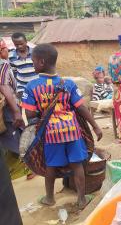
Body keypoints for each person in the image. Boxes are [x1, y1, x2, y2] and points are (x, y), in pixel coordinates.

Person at [21, 44, 102, 209]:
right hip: (72, 131)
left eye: (34, 61)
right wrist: (95, 126)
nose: (33, 64)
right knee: (77, 164)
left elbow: (29, 115)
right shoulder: (69, 84)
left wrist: (41, 110)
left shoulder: (32, 87)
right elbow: (81, 107)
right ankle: (81, 199)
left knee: (50, 165)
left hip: (51, 133)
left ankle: (50, 198)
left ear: (42, 62)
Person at [0, 39, 31, 180]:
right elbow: (4, 87)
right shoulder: (3, 65)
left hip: (8, 106)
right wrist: (16, 111)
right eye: (6, 48)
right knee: (16, 137)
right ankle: (29, 168)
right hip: (8, 108)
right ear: (2, 51)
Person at [9, 32, 38, 98]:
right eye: (16, 45)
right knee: (25, 103)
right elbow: (14, 72)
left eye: (21, 44)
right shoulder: (11, 56)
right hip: (22, 86)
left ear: (26, 41)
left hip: (37, 84)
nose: (19, 46)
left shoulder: (35, 52)